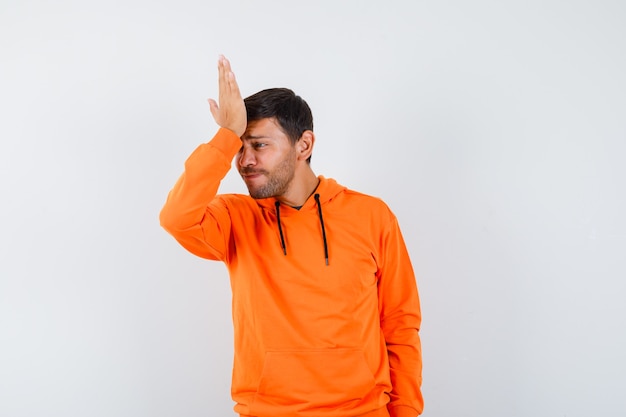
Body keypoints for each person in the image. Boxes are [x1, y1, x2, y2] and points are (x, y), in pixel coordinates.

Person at [160, 55, 423, 417]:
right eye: (240, 147)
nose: (245, 160)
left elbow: (399, 324)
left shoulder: (371, 215)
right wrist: (224, 137)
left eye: (260, 145)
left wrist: (405, 412)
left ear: (304, 145)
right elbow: (176, 218)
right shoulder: (235, 218)